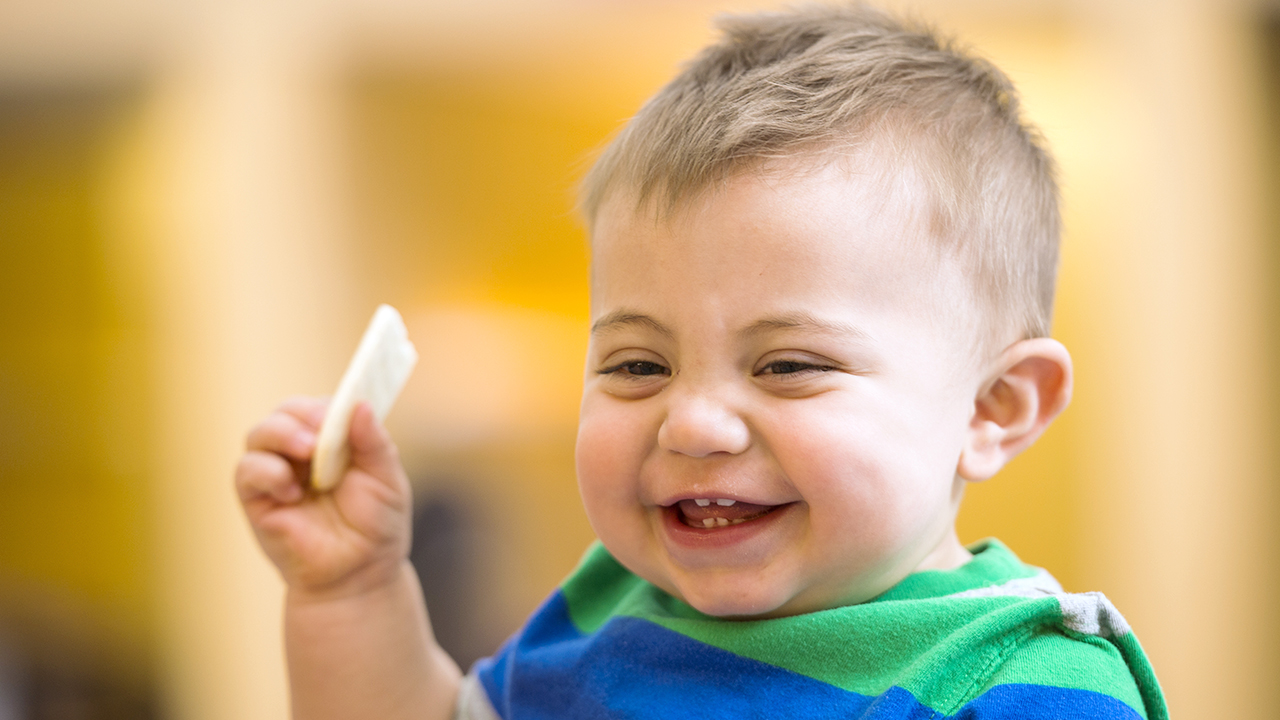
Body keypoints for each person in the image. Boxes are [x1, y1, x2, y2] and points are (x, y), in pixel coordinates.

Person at [234, 4, 1168, 719]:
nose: (692, 423)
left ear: (993, 407)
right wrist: (351, 591)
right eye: (638, 366)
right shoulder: (608, 613)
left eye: (788, 365)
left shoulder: (1026, 677)